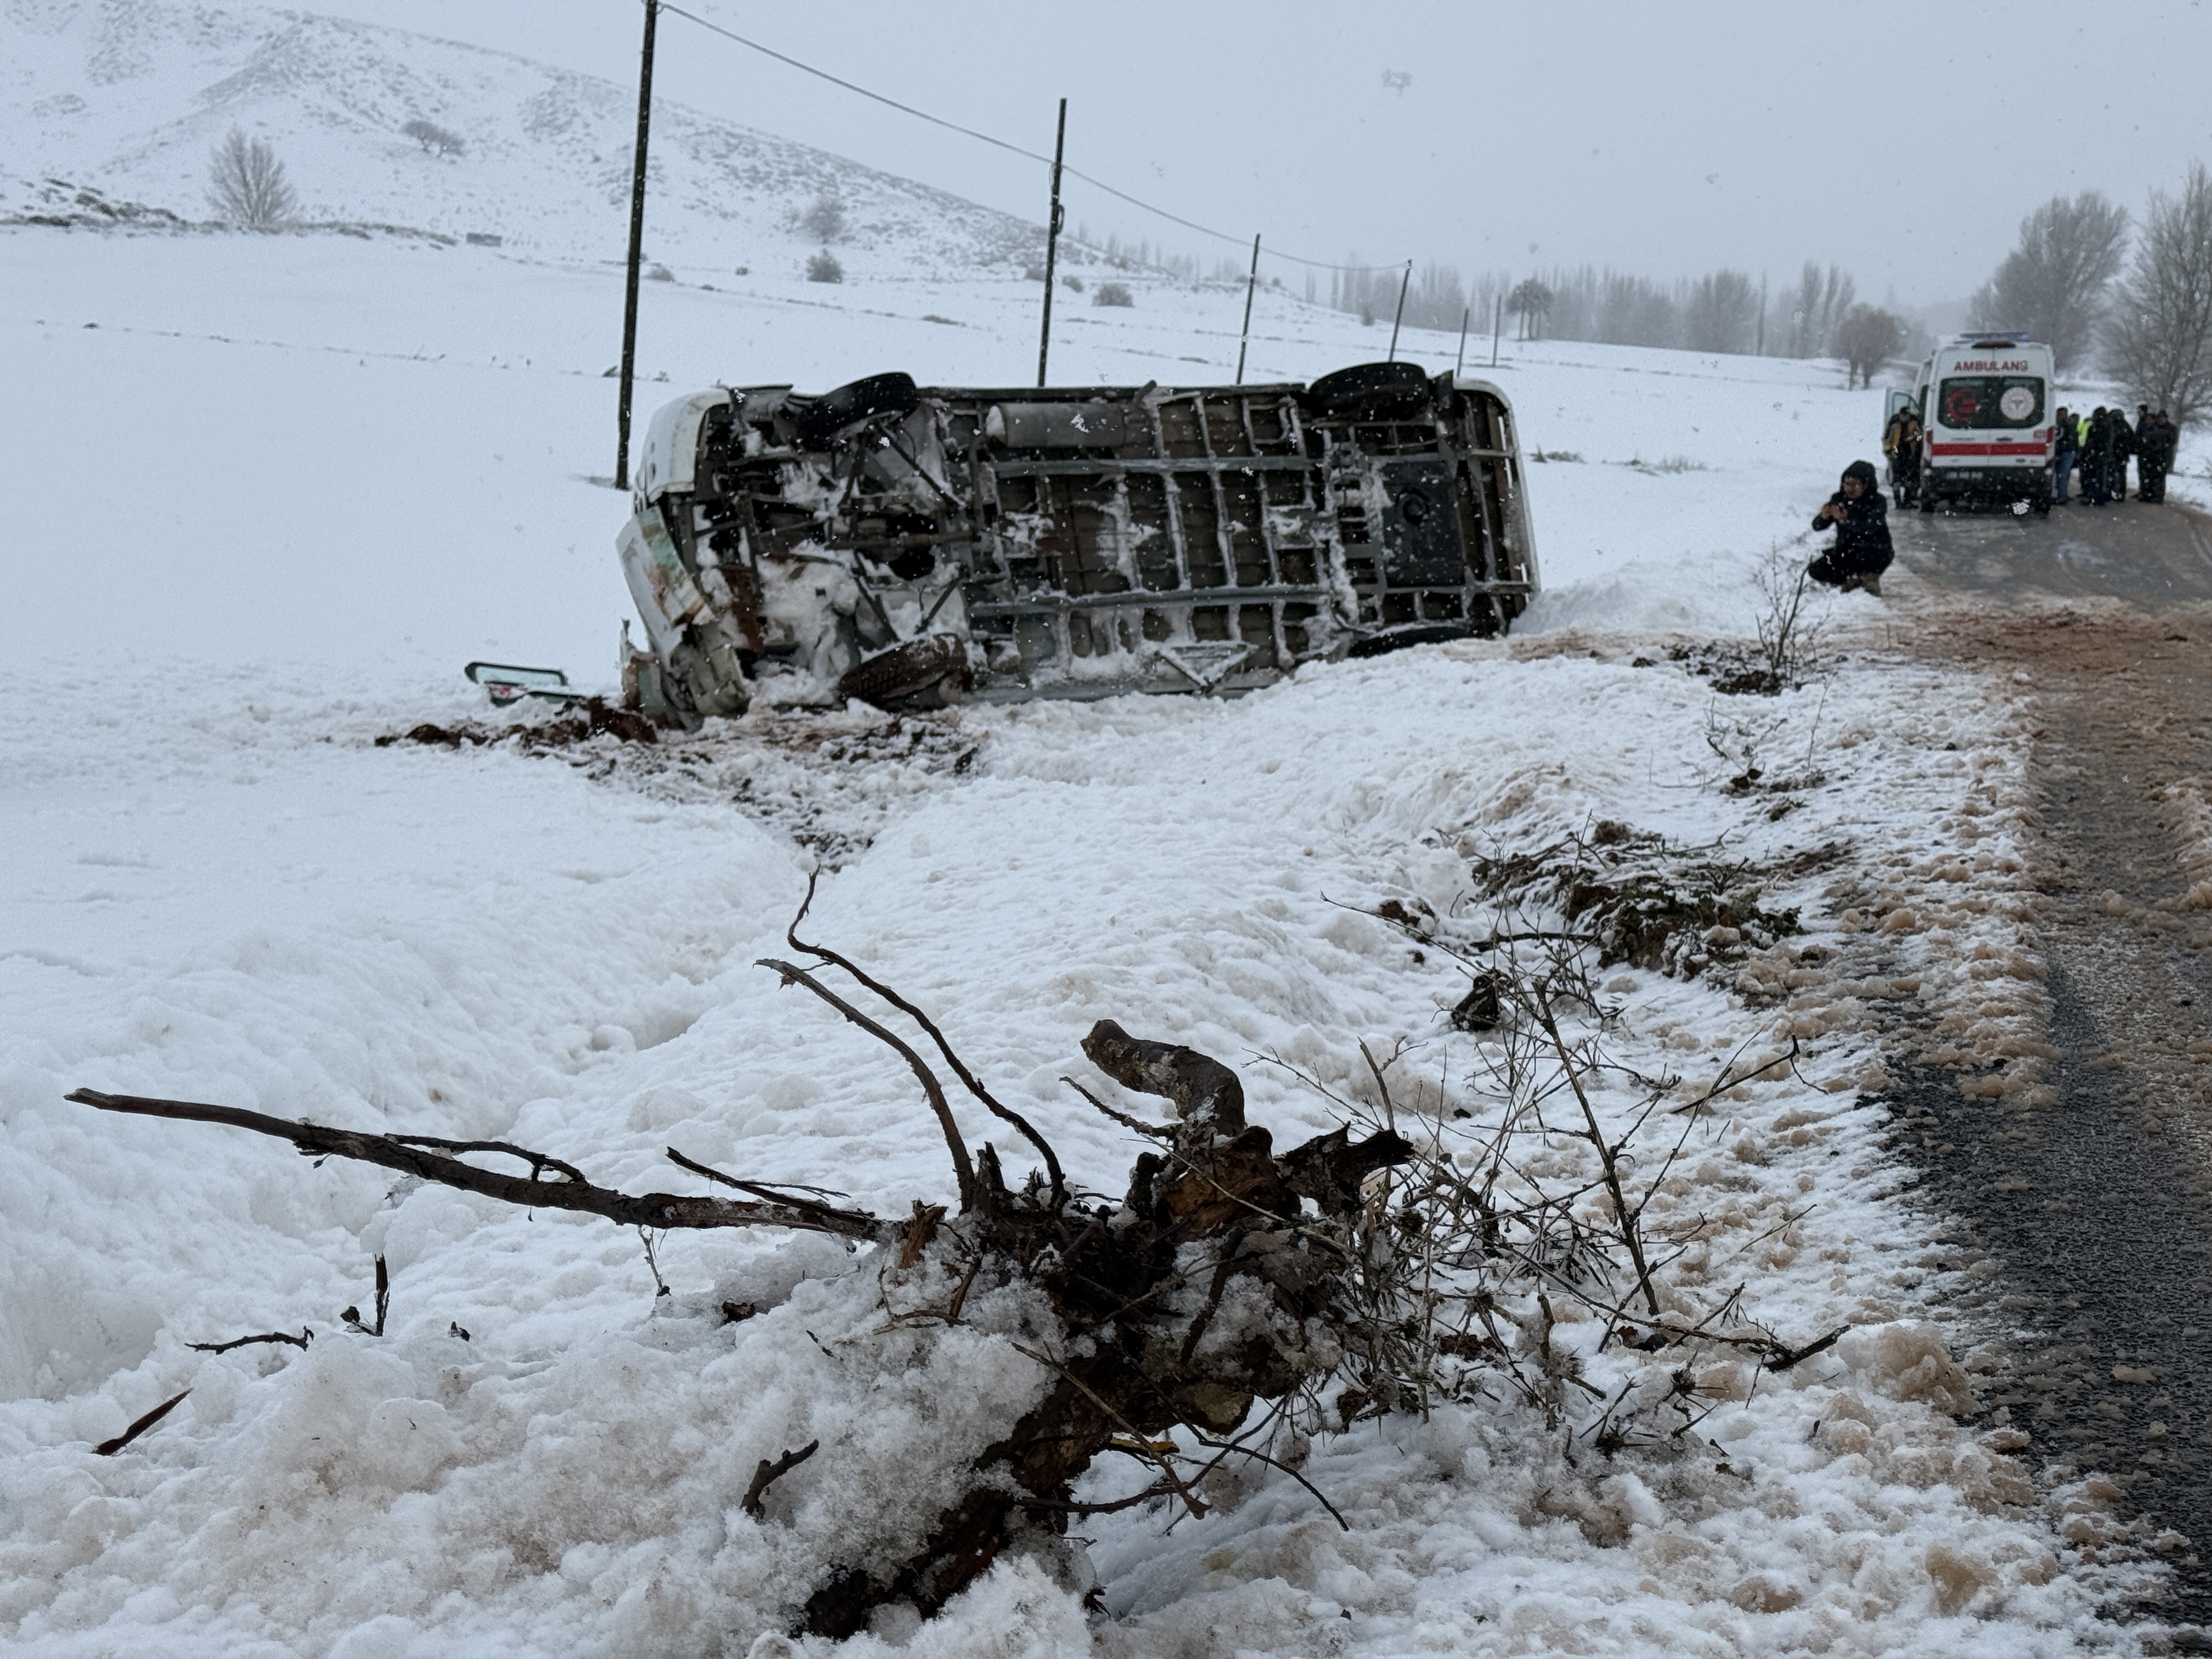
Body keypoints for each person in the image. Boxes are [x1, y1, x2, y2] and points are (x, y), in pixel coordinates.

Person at [1808, 459, 1894, 595]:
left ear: (1866, 485)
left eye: (1856, 485)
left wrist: (1845, 521)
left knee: (1868, 559)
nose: (1850, 489)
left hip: (1874, 552)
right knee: (1817, 570)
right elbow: (1817, 527)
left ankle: (1867, 578)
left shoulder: (1877, 502)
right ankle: (1853, 580)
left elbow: (1869, 528)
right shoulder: (1839, 500)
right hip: (1847, 551)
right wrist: (1824, 518)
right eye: (1847, 484)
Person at [1882, 402, 1923, 506]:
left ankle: (1907, 501)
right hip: (1896, 451)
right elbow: (1887, 439)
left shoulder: (1914, 424)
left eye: (1907, 416)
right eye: (1903, 416)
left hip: (1910, 452)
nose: (1905, 418)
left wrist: (1914, 438)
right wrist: (1889, 452)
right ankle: (1898, 502)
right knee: (1897, 478)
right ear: (1900, 415)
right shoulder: (1894, 425)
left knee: (1910, 478)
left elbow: (1921, 438)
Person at [2052, 405, 2076, 505]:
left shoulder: (2061, 426)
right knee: (2063, 475)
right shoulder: (2069, 425)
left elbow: (2058, 440)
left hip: (2064, 452)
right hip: (2068, 452)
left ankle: (2062, 498)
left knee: (2062, 476)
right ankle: (2063, 495)